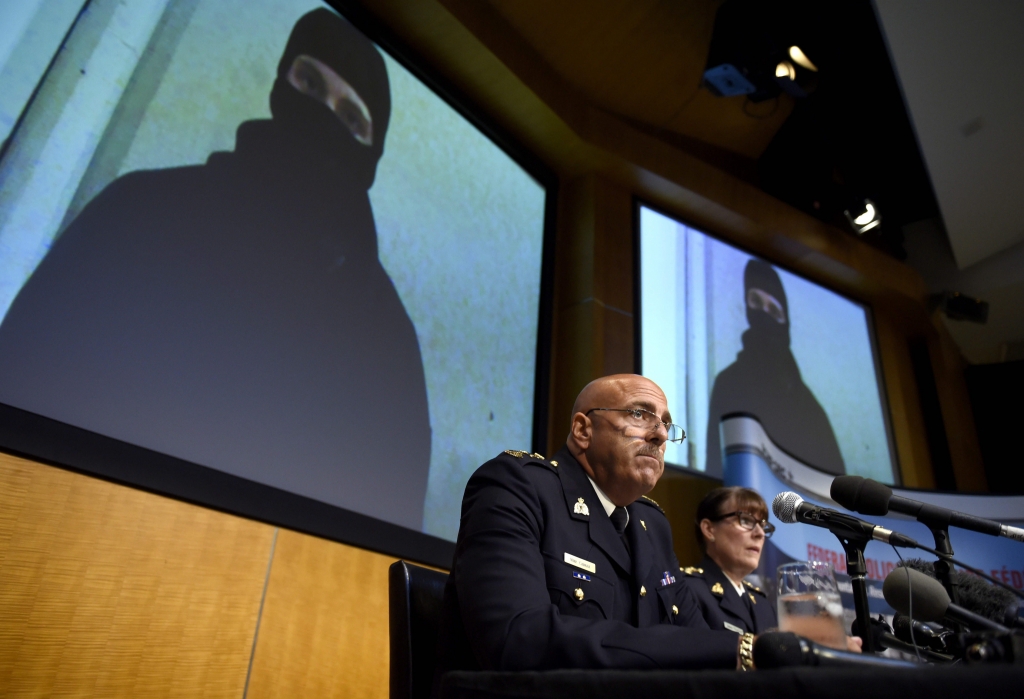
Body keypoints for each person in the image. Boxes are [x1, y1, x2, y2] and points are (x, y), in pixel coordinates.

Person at [0, 9, 431, 530]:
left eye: (351, 117)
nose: (322, 116)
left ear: (372, 153)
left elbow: (385, 535)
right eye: (310, 83)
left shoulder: (388, 340)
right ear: (280, 85)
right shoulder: (137, 213)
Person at [435, 374, 752, 679]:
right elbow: (519, 639)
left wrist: (748, 654)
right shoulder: (519, 486)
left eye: (666, 424)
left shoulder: (652, 526)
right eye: (639, 414)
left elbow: (698, 647)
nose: (660, 435)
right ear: (583, 430)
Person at [705, 259, 845, 478]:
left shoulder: (811, 410)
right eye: (755, 301)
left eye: (773, 310)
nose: (763, 314)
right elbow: (715, 468)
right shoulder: (728, 383)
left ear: (784, 322)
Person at [680, 487, 778, 635]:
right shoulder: (687, 589)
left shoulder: (764, 605)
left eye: (763, 526)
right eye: (745, 520)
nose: (759, 534)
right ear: (709, 530)